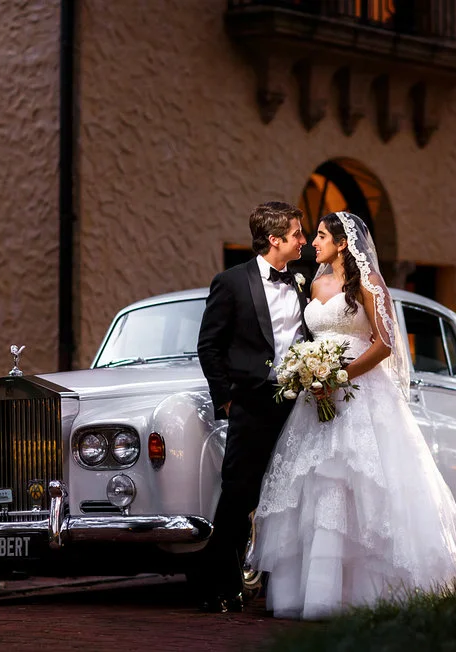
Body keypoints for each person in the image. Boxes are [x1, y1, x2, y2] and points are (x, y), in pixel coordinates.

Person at [249, 211, 456, 620]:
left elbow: (385, 343)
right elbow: (308, 337)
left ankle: (367, 591)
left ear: (341, 243)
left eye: (319, 236)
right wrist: (308, 372)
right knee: (316, 483)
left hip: (361, 394)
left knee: (360, 480)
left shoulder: (370, 284)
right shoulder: (314, 283)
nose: (312, 242)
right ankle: (313, 592)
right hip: (315, 398)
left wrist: (339, 375)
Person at [195, 201, 311, 613]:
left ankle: (287, 589)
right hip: (252, 402)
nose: (303, 240)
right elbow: (208, 346)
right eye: (297, 234)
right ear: (275, 239)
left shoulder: (304, 279)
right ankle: (217, 586)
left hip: (299, 405)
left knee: (294, 493)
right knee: (238, 495)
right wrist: (226, 396)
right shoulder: (230, 282)